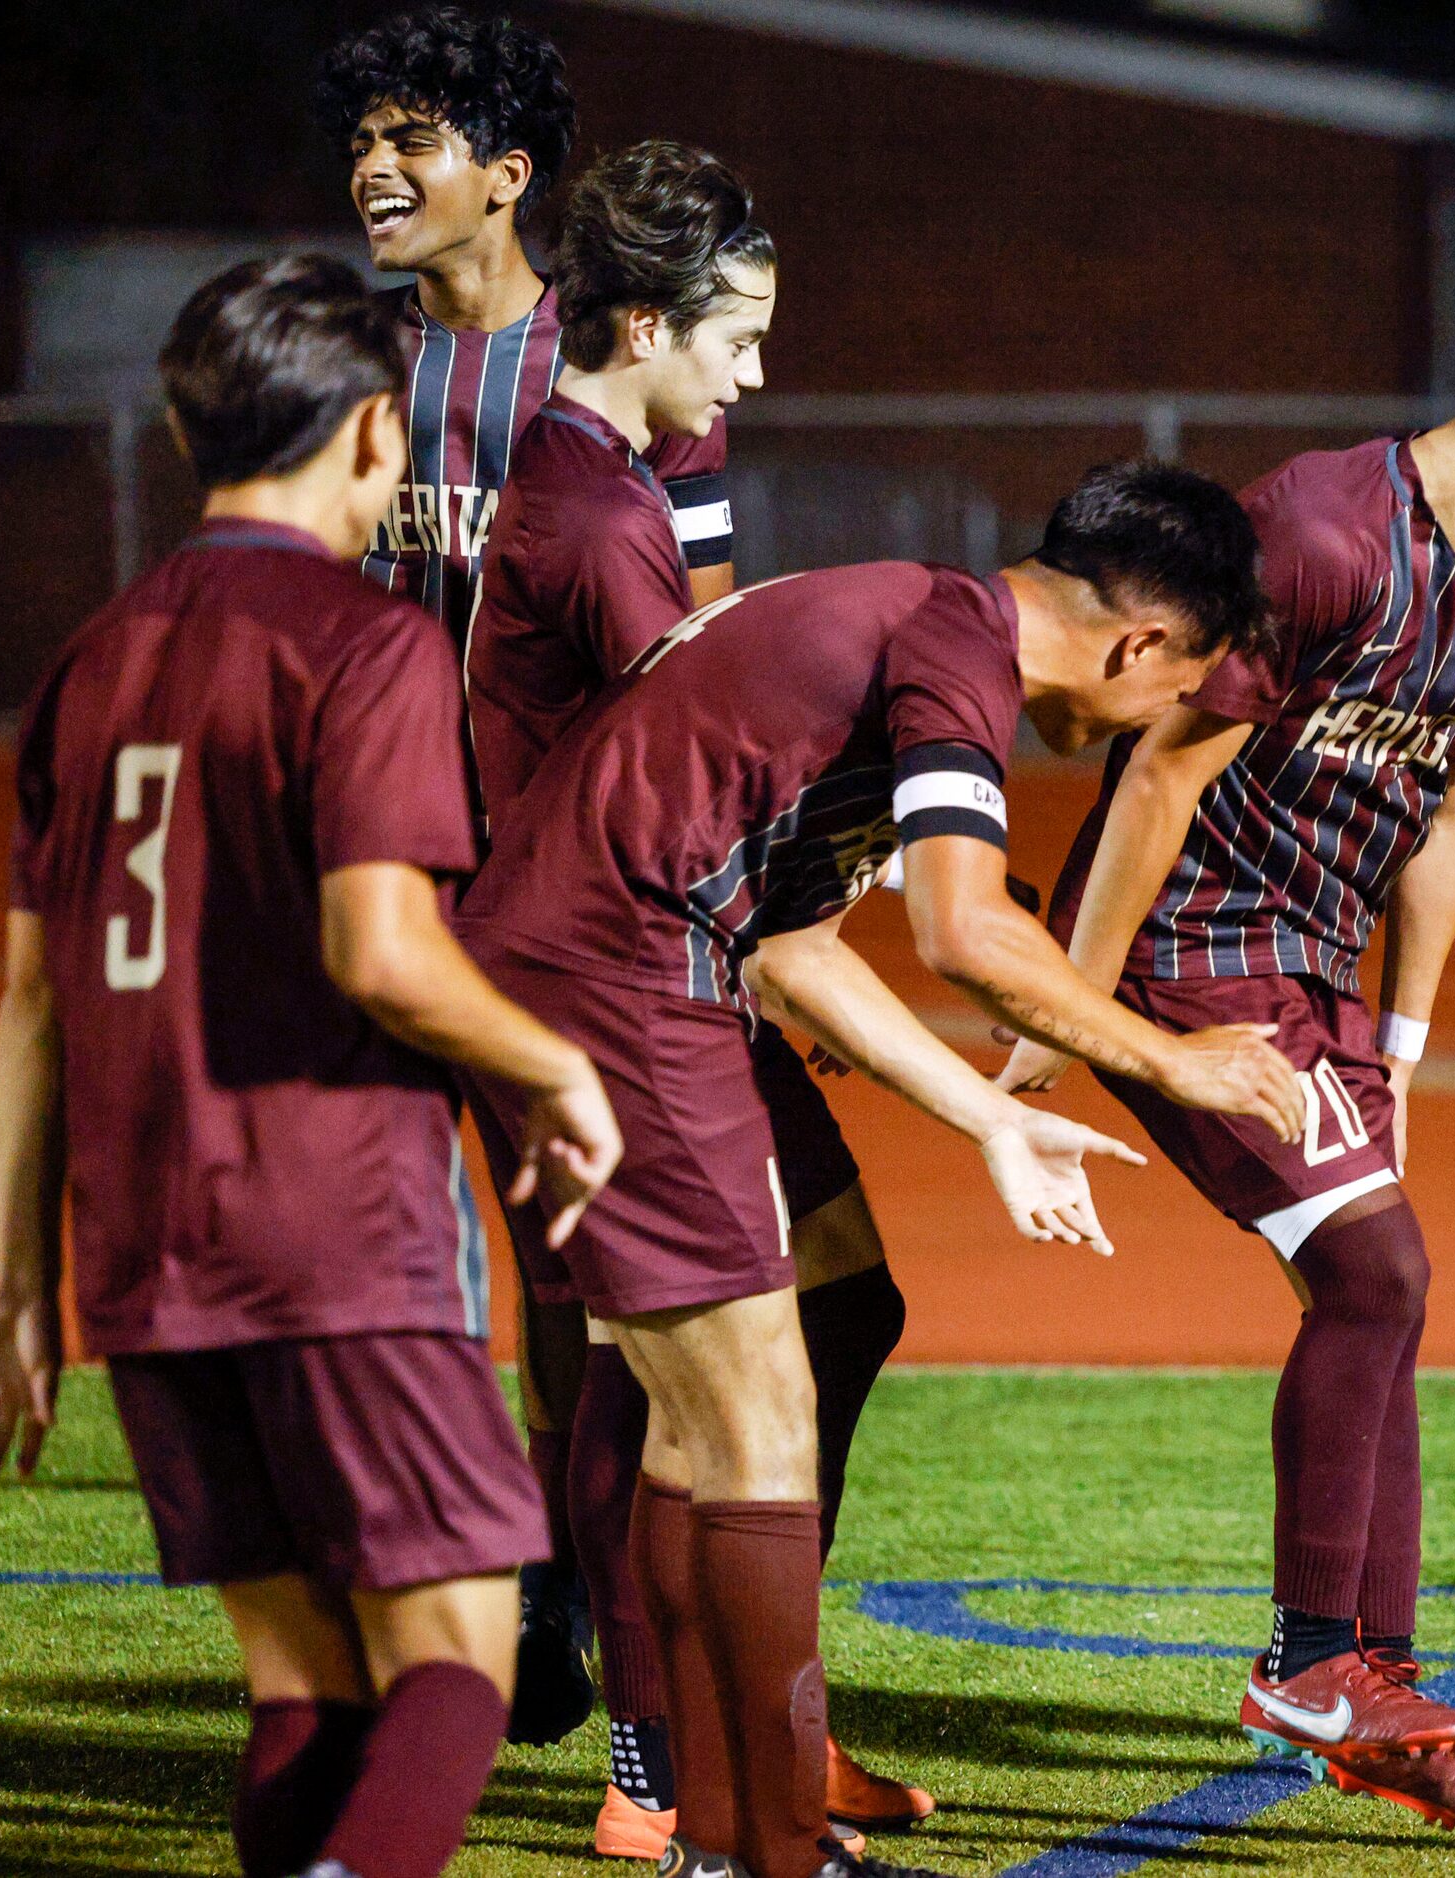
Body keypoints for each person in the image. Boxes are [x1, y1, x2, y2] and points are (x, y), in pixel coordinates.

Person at [456, 462, 1306, 1878]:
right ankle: (772, 1847)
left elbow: (795, 949)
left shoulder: (900, 615)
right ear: (1140, 643)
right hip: (622, 983)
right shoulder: (952, 650)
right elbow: (964, 930)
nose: (1152, 722)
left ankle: (717, 1835)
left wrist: (989, 1117)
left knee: (707, 1421)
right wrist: (1172, 1057)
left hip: (602, 971)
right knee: (760, 1420)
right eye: (1177, 691)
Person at [1000, 236, 1455, 1841]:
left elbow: (1450, 811)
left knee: (1385, 1298)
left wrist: (1402, 1029)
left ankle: (1377, 1688)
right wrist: (1064, 1015)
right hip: (1188, 957)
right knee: (1380, 1274)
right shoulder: (1321, 533)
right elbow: (1157, 779)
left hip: (1318, 974)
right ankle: (1309, 1665)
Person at [0, 254, 622, 1878]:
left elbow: (34, 1002)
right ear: (378, 438)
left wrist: (16, 1281)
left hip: (140, 1249)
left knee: (306, 1692)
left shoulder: (92, 655)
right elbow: (382, 951)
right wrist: (557, 1069)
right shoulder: (366, 643)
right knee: (461, 1655)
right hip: (332, 1226)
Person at [464, 137, 929, 1854]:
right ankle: (671, 1761)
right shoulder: (594, 519)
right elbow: (683, 772)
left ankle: (725, 1734)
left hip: (654, 963)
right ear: (647, 321)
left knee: (824, 1312)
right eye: (731, 339)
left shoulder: (606, 480)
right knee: (657, 1380)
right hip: (615, 985)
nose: (749, 372)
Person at [310, 5, 739, 1743]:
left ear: (508, 173)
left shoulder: (621, 361)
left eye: (414, 136)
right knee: (365, 1272)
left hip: (550, 903)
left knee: (572, 1274)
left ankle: (576, 1586)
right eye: (362, 136)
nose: (373, 167)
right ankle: (427, 1601)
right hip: (361, 884)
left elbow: (694, 645)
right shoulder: (338, 362)